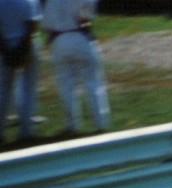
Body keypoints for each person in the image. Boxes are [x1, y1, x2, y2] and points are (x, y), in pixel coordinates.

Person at [42, 0, 110, 134]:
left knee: (66, 86)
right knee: (93, 82)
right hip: (81, 36)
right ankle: (101, 124)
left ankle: (72, 125)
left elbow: (47, 25)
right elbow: (86, 17)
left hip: (59, 40)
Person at [0, 0, 41, 143]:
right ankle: (26, 131)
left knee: (4, 90)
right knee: (28, 89)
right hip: (27, 46)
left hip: (6, 45)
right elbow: (32, 27)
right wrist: (21, 51)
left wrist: (7, 51)